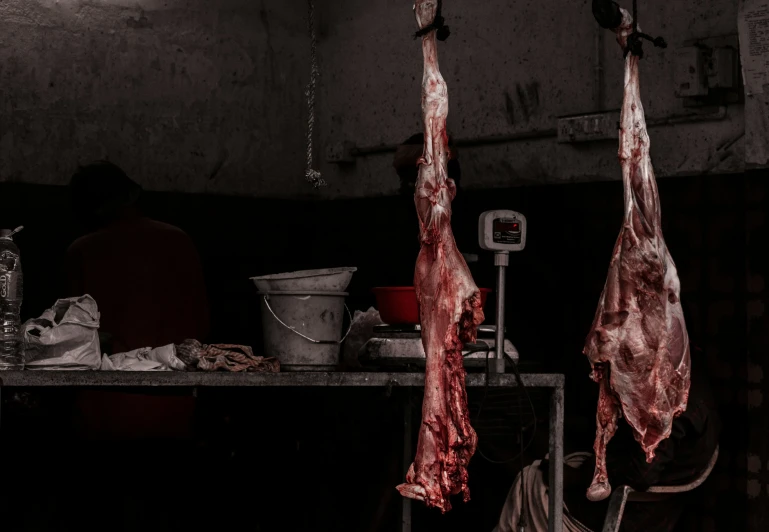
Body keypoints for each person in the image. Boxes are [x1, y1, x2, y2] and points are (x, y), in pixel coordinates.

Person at [493, 349, 720, 532]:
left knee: (529, 478)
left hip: (626, 511)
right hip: (638, 499)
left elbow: (641, 473)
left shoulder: (672, 396)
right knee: (544, 455)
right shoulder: (688, 376)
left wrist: (579, 477)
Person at [65, 160, 210, 439]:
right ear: (132, 194)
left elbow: (71, 339)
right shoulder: (179, 241)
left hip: (104, 409)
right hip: (174, 405)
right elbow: (201, 325)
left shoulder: (80, 252)